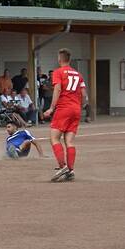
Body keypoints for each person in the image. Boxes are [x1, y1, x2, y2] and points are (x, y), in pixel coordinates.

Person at [44, 48, 87, 182]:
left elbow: (57, 88)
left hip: (64, 108)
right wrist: (80, 106)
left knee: (54, 138)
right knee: (69, 141)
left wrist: (51, 108)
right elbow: (84, 94)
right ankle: (71, 170)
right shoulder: (78, 74)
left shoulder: (58, 72)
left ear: (59, 58)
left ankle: (62, 166)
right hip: (76, 109)